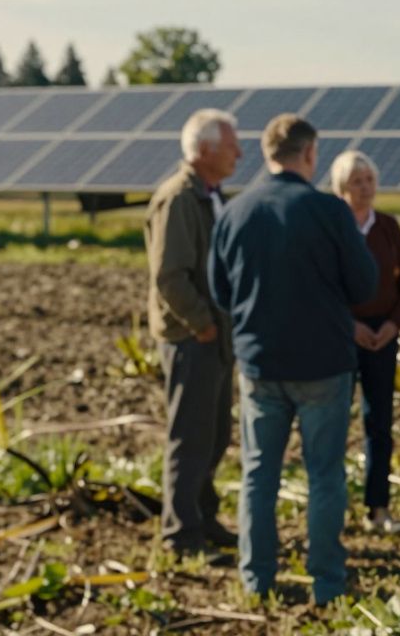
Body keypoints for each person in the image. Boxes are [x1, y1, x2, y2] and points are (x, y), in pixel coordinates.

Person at [209, 114, 376, 605]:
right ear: (310, 154)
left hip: (260, 365)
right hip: (323, 364)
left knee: (259, 473)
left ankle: (256, 578)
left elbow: (220, 290)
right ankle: (326, 579)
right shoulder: (328, 211)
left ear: (267, 153)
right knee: (324, 473)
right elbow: (364, 285)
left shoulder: (235, 212)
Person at [144, 108, 241, 557]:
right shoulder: (180, 198)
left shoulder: (210, 195)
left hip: (214, 335)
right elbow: (170, 277)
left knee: (215, 432)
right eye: (231, 145)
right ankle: (181, 534)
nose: (239, 153)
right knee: (191, 436)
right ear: (205, 150)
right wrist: (201, 323)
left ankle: (202, 515)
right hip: (192, 338)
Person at [330, 150, 400, 534]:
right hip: (342, 335)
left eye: (369, 180)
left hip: (382, 337)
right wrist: (350, 326)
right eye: (356, 182)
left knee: (378, 425)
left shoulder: (387, 227)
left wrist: (393, 325)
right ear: (341, 188)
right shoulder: (333, 228)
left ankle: (378, 508)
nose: (365, 189)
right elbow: (322, 286)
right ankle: (332, 508)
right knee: (333, 423)